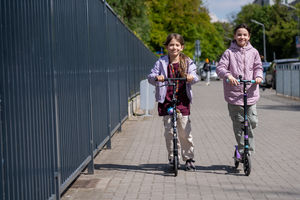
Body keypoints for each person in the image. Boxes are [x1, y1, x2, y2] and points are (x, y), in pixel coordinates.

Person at [148, 33, 199, 171]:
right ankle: (172, 157)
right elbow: (151, 77)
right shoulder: (161, 62)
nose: (174, 48)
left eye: (177, 45)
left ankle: (188, 158)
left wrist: (190, 77)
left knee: (184, 131)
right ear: (167, 47)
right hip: (167, 100)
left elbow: (195, 77)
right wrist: (157, 77)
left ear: (182, 47)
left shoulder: (187, 62)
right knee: (169, 131)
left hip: (182, 101)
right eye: (171, 45)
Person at [216, 23, 263, 157]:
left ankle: (244, 149)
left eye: (244, 35)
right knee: (239, 124)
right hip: (234, 95)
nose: (242, 37)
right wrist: (228, 75)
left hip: (250, 93)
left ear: (249, 36)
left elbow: (258, 67)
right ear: (235, 36)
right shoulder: (229, 52)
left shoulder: (254, 52)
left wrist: (258, 76)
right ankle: (244, 152)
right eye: (239, 34)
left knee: (252, 122)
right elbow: (220, 68)